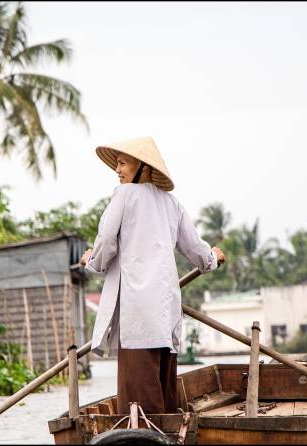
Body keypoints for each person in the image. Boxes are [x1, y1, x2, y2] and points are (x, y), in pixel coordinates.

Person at [80, 136, 226, 415]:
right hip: (164, 315)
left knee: (139, 406)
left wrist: (92, 260)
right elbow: (197, 250)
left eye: (123, 163)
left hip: (137, 315)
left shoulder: (123, 196)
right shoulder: (173, 205)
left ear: (143, 168)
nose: (118, 170)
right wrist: (213, 258)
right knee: (164, 395)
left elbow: (106, 242)